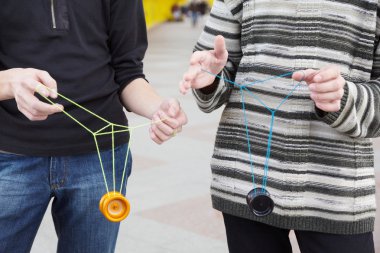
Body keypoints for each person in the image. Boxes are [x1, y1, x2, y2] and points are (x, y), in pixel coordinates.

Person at [180, 0, 378, 252]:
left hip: (336, 192)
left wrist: (345, 98)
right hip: (246, 181)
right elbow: (215, 69)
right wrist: (208, 79)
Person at [0, 0, 187, 252]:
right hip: (9, 155)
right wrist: (9, 82)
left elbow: (128, 72)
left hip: (101, 160)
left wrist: (158, 109)